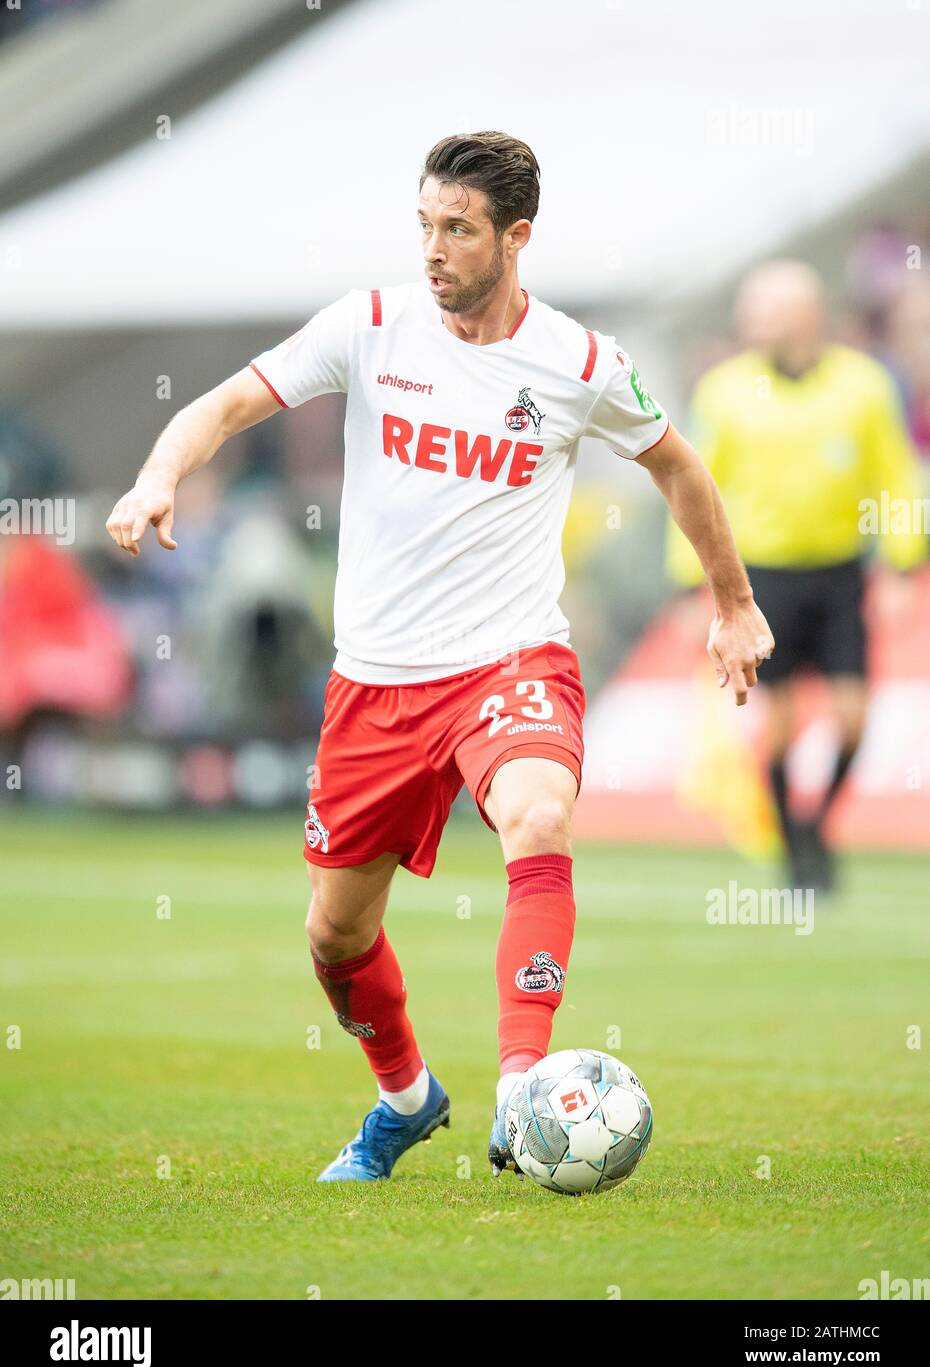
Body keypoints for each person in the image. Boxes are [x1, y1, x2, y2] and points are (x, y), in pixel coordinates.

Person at [106, 131, 773, 1183]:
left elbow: (679, 468)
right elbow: (226, 404)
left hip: (511, 664)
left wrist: (732, 602)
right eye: (424, 224)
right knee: (334, 934)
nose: (433, 249)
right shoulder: (370, 326)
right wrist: (159, 477)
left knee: (539, 815)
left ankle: (523, 1088)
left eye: (457, 229)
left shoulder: (581, 363)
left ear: (516, 236)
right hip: (374, 682)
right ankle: (407, 1099)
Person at [667, 260, 926, 891]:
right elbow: (692, 487)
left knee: (853, 714)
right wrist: (687, 582)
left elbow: (895, 473)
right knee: (777, 723)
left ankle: (816, 825)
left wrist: (902, 560)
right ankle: (793, 845)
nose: (749, 321)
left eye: (765, 309)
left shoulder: (863, 385)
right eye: (748, 309)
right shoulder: (724, 390)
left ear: (807, 314)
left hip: (840, 573)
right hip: (760, 579)